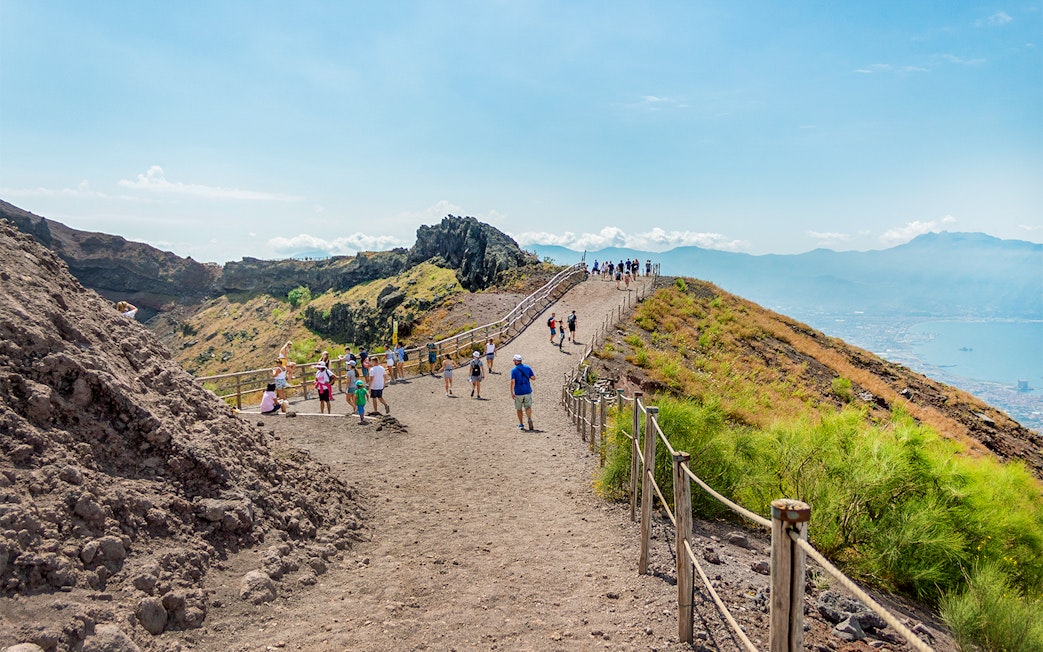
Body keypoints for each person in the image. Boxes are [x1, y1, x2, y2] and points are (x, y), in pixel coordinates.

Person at [510, 354, 536, 431]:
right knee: (528, 406)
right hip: (527, 390)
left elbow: (512, 382)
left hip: (518, 392)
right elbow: (533, 378)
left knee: (519, 408)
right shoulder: (528, 368)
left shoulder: (513, 370)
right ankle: (529, 418)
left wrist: (512, 392)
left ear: (515, 361)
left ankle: (521, 424)